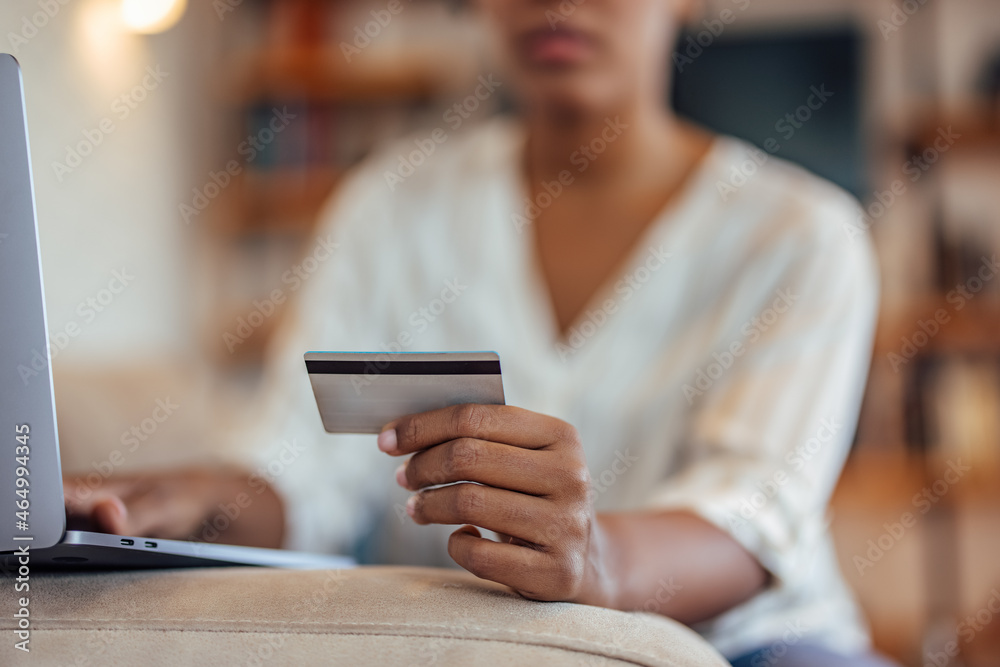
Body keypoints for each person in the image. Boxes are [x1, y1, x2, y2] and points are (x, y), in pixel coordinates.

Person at [64, 1, 898, 665]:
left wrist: (598, 560)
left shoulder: (801, 236)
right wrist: (192, 508)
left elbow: (752, 515)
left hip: (751, 644)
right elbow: (302, 471)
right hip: (471, 639)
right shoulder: (388, 209)